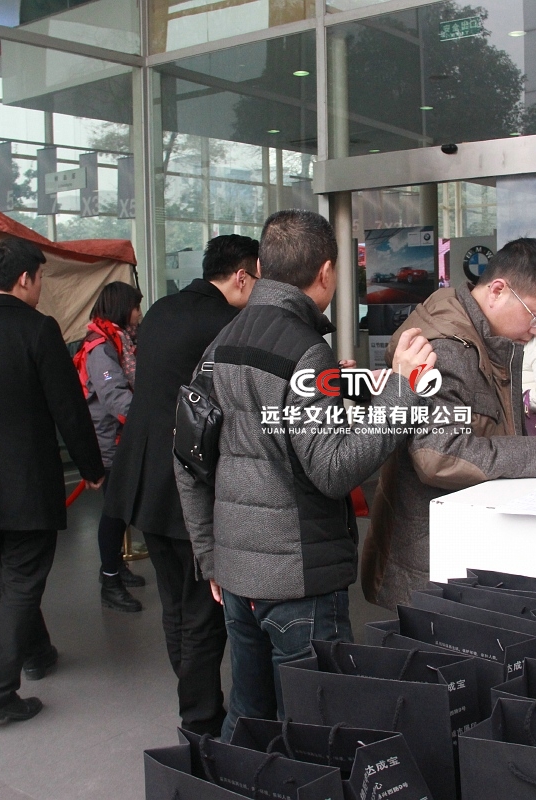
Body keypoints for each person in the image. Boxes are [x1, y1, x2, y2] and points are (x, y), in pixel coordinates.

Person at [175, 210, 436, 740]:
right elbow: (333, 469)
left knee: (249, 717)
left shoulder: (219, 346)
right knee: (319, 724)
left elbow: (189, 460)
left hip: (238, 576)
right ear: (325, 272)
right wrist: (403, 393)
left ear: (263, 267)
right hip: (299, 581)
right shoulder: (304, 349)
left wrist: (210, 558)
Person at [362, 238, 536, 611]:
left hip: (459, 544)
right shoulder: (446, 349)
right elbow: (440, 454)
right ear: (497, 291)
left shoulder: (486, 337)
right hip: (436, 561)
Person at [0, 238, 105, 723]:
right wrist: (91, 467)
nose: (40, 287)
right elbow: (68, 407)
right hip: (29, 482)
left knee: (13, 572)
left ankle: (37, 652)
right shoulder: (38, 329)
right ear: (26, 279)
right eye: (41, 278)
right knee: (23, 583)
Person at [105, 233, 259, 737]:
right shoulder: (226, 324)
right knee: (201, 612)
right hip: (185, 484)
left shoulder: (162, 310)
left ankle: (191, 693)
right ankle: (200, 720)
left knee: (174, 603)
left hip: (143, 480)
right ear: (242, 276)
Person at [74, 280, 146, 613]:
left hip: (118, 438)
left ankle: (115, 565)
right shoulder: (101, 347)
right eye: (136, 307)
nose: (139, 313)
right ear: (122, 308)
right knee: (115, 513)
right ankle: (110, 579)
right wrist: (148, 420)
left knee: (120, 510)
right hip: (109, 441)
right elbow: (115, 397)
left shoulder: (119, 339)